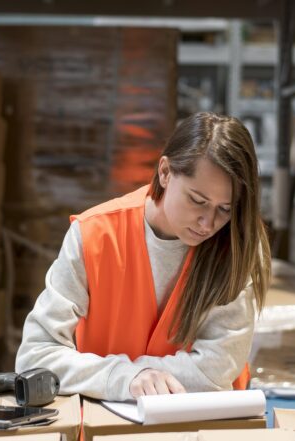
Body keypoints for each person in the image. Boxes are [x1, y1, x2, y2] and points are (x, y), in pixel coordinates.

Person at [16, 112, 271, 402]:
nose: (207, 223)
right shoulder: (93, 236)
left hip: (200, 427)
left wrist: (109, 376)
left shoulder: (238, 246)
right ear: (165, 172)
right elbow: (35, 357)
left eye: (224, 209)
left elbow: (215, 370)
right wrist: (125, 378)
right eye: (197, 201)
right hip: (107, 425)